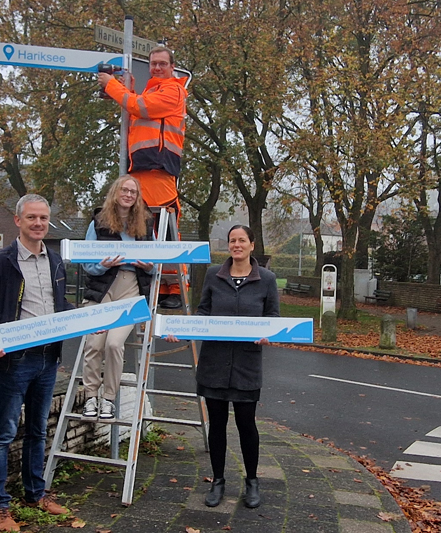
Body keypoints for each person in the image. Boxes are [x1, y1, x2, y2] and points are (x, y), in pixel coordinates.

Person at [0, 194, 72, 532]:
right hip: (15, 361)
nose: (39, 224)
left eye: (43, 218)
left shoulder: (56, 261)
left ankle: (35, 494)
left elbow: (59, 306)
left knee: (38, 431)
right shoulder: (1, 262)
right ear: (18, 220)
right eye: (32, 218)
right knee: (3, 434)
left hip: (48, 359)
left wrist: (88, 317)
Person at [167, 225, 279, 508]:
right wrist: (182, 328)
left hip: (246, 364)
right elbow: (203, 312)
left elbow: (273, 318)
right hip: (214, 362)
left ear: (252, 245)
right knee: (216, 425)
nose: (237, 245)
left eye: (242, 240)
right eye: (232, 240)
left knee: (246, 425)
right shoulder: (214, 276)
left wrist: (270, 333)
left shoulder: (267, 279)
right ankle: (218, 481)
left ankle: (251, 482)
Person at [98, 45, 188, 309]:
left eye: (162, 64)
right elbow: (139, 108)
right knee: (140, 227)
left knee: (162, 229)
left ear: (172, 67)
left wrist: (113, 86)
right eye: (153, 64)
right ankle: (154, 285)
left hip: (158, 168)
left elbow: (141, 108)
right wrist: (129, 89)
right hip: (142, 168)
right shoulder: (153, 90)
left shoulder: (173, 90)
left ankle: (171, 289)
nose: (157, 68)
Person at [80, 175, 154, 420]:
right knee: (94, 344)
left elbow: (155, 265)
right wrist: (101, 265)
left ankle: (108, 399)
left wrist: (147, 266)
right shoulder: (98, 222)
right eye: (125, 190)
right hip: (102, 287)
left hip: (130, 287)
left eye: (134, 192)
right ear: (116, 192)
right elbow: (87, 264)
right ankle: (91, 395)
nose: (129, 195)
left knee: (114, 344)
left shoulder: (145, 223)